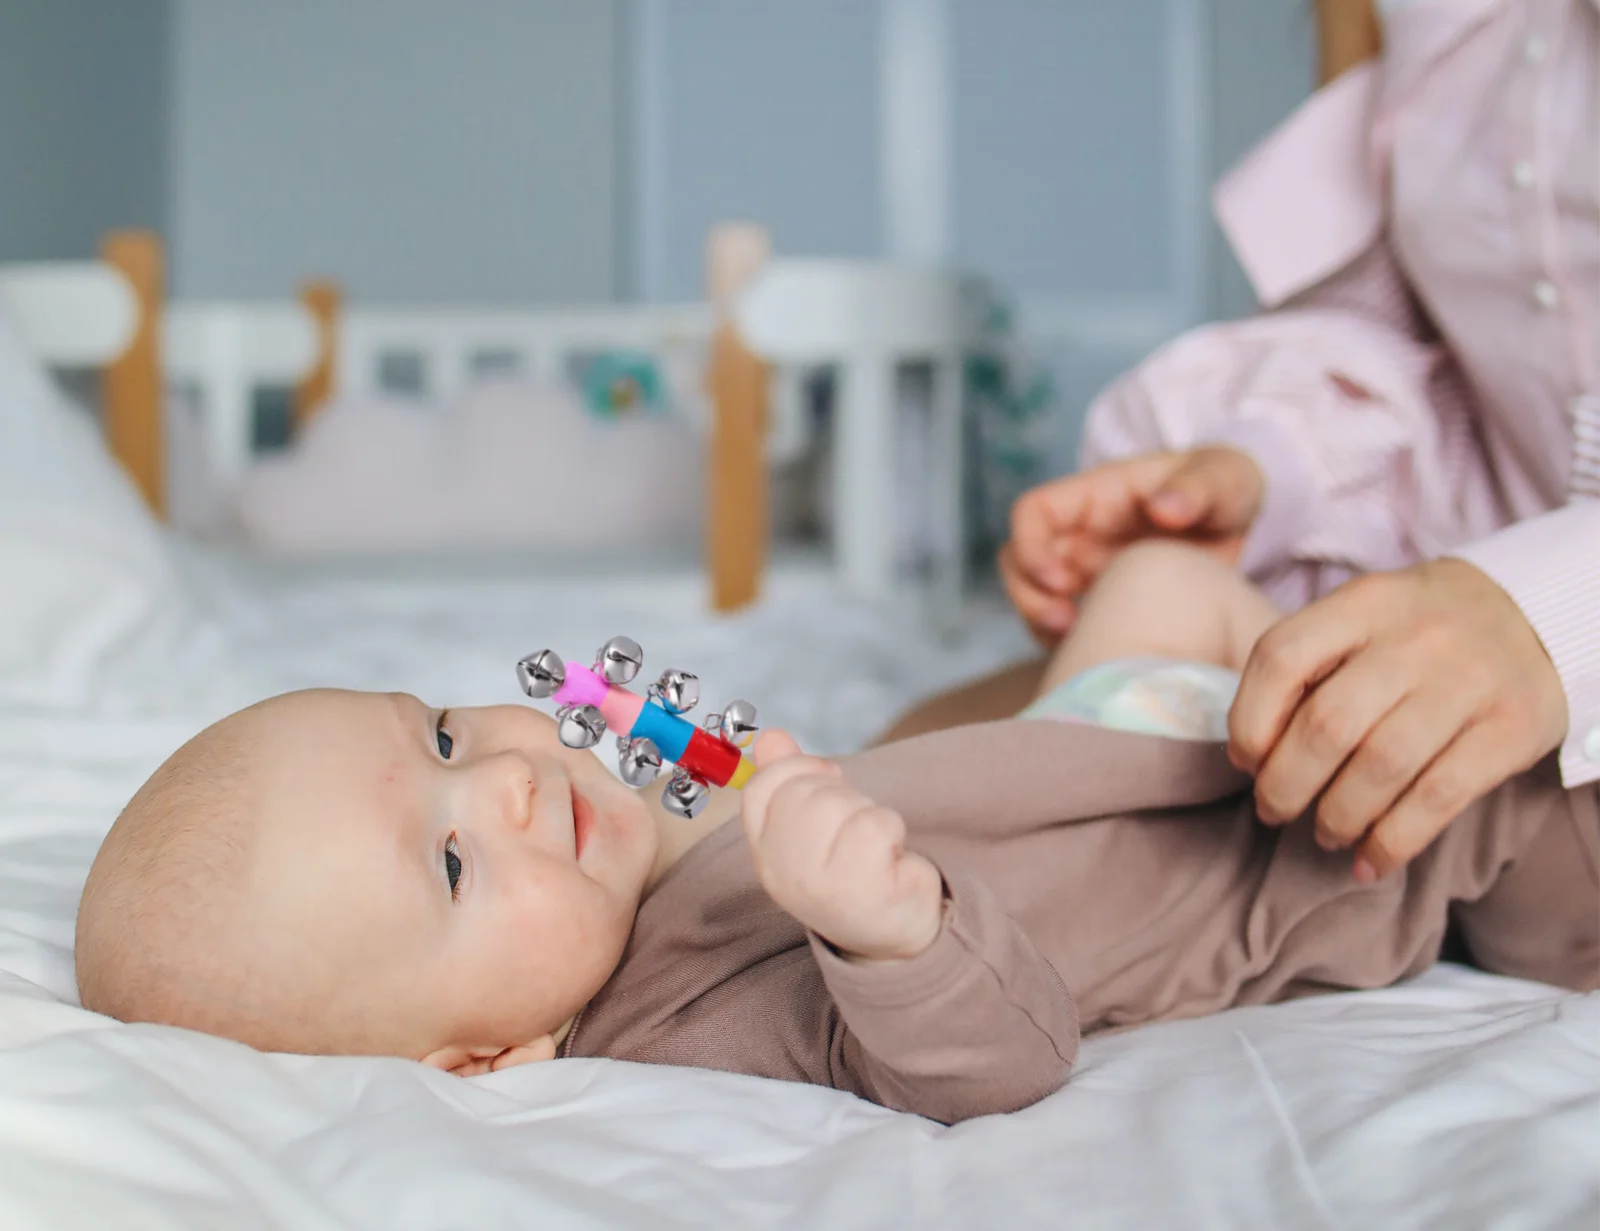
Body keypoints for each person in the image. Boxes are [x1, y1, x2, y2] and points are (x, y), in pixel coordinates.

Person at [884, 0, 1600, 889]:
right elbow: (1395, 349)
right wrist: (1262, 474)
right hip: (1469, 585)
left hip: (1536, 615)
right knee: (925, 767)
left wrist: (1546, 615)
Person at [75, 543, 1598, 1125]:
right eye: (454, 860)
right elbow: (1005, 1054)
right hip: (1326, 847)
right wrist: (895, 936)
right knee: (1548, 851)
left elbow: (755, 772)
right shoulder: (684, 1036)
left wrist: (658, 725)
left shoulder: (617, 881)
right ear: (479, 1058)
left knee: (1154, 583)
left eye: (442, 737)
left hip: (1108, 736)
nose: (510, 785)